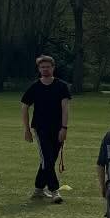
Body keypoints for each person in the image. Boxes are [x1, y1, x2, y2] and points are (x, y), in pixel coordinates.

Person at [21, 55, 71, 203]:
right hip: (40, 128)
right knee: (47, 160)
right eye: (42, 67)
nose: (45, 69)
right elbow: (24, 107)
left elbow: (65, 108)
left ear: (53, 68)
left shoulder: (61, 86)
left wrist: (64, 128)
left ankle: (38, 190)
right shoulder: (35, 87)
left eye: (47, 66)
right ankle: (54, 191)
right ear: (39, 69)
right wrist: (27, 130)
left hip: (58, 128)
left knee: (48, 160)